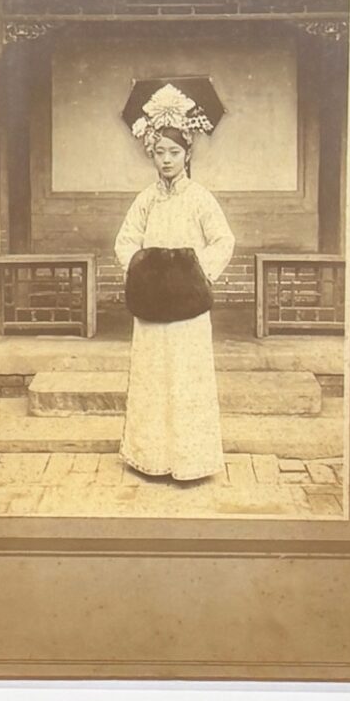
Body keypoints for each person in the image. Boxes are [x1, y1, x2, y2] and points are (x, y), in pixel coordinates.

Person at [115, 83, 235, 481]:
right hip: (152, 303)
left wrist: (194, 273)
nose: (166, 160)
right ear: (151, 153)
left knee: (187, 379)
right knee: (152, 377)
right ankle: (150, 457)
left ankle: (190, 461)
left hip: (187, 306)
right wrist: (143, 269)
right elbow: (125, 240)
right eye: (159, 152)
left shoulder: (200, 198)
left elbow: (223, 240)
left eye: (174, 152)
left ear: (187, 154)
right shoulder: (146, 200)